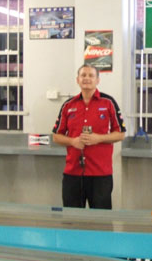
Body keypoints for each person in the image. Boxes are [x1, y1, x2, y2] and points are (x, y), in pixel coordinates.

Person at [52, 64, 126, 209]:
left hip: (100, 174)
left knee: (101, 221)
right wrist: (72, 141)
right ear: (77, 80)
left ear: (97, 80)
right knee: (71, 219)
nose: (87, 79)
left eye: (91, 75)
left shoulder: (108, 103)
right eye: (83, 75)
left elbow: (121, 134)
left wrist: (99, 138)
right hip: (73, 173)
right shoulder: (68, 105)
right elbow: (56, 137)